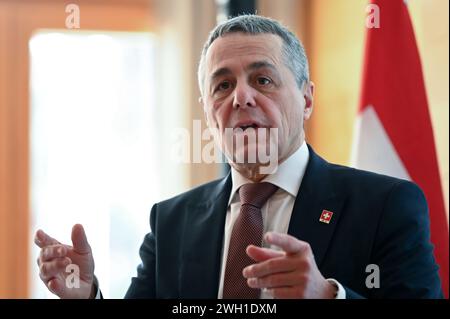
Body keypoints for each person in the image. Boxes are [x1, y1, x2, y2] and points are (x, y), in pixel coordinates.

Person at [35, 14, 443, 299]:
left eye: (262, 80)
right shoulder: (171, 220)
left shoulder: (386, 206)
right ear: (207, 111)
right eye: (222, 85)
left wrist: (327, 296)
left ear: (306, 99)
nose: (241, 97)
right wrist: (86, 294)